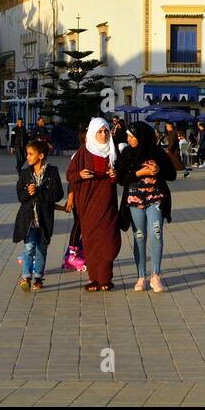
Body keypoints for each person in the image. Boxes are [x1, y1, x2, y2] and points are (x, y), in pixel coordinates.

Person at [117, 120, 176, 293]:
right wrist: (139, 173)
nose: (128, 139)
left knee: (156, 234)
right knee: (139, 237)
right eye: (128, 136)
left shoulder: (157, 152)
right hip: (135, 200)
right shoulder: (127, 154)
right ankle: (141, 277)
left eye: (131, 136)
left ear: (141, 137)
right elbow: (121, 179)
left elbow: (172, 174)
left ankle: (155, 276)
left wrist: (158, 170)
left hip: (155, 199)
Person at [67, 118, 121, 291]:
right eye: (99, 131)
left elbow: (121, 176)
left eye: (106, 131)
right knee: (91, 241)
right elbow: (70, 175)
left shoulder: (113, 152)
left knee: (108, 241)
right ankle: (94, 279)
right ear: (92, 133)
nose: (103, 135)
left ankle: (105, 278)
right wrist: (80, 175)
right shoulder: (83, 153)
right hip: (88, 204)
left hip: (107, 204)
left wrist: (115, 174)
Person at [13, 139, 64, 292]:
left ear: (40, 156)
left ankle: (38, 277)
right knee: (29, 247)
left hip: (44, 218)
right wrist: (27, 193)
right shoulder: (25, 173)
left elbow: (58, 194)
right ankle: (26, 277)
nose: (27, 157)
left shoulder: (52, 172)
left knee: (41, 248)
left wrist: (40, 191)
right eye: (27, 154)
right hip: (28, 218)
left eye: (30, 154)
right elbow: (20, 196)